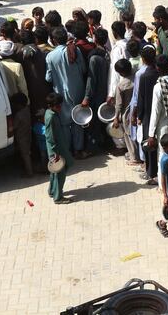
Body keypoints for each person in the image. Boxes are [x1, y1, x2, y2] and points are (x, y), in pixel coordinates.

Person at [45, 27, 88, 159]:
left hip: (60, 93)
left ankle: (67, 151)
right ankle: (78, 150)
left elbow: (48, 78)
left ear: (53, 40)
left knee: (65, 123)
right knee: (77, 120)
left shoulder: (50, 56)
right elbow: (83, 69)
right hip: (77, 90)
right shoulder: (75, 50)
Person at [0, 40, 33, 177]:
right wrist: (26, 105)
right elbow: (23, 87)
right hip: (21, 105)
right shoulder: (17, 66)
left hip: (6, 106)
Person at [136, 45, 161, 183]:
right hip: (159, 113)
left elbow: (141, 98)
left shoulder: (144, 76)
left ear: (144, 59)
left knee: (149, 144)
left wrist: (139, 116)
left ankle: (151, 173)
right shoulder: (159, 73)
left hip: (147, 115)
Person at [82, 28, 110, 151]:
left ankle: (92, 148)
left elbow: (91, 79)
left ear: (95, 39)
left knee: (94, 123)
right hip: (106, 92)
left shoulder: (94, 58)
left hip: (96, 95)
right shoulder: (107, 53)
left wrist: (87, 97)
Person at [45, 92, 74, 204]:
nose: (60, 107)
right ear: (51, 106)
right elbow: (49, 136)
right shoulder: (51, 117)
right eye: (58, 106)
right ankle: (58, 197)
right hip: (56, 150)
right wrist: (55, 153)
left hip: (60, 147)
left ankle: (52, 191)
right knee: (60, 172)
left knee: (55, 171)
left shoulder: (51, 113)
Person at [113, 58, 138, 163]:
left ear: (121, 72)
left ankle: (134, 158)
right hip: (138, 111)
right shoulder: (137, 78)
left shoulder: (121, 86)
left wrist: (116, 117)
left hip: (127, 114)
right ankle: (139, 155)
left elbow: (118, 104)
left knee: (128, 135)